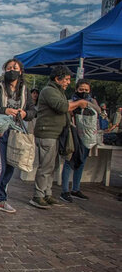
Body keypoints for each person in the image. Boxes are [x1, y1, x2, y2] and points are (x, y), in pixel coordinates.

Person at [0, 58, 36, 218]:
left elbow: (33, 110)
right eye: (9, 67)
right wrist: (5, 110)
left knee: (11, 165)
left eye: (15, 67)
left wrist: (25, 113)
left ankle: (0, 199)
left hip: (16, 133)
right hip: (0, 131)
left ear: (20, 71)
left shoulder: (25, 89)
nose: (12, 70)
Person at [29, 65, 88, 209]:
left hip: (56, 135)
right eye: (66, 79)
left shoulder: (58, 91)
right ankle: (38, 195)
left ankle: (47, 193)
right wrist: (78, 103)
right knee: (46, 166)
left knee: (52, 166)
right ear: (57, 79)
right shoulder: (49, 91)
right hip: (47, 134)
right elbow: (62, 107)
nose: (68, 82)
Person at [60, 79, 101, 203]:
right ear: (76, 89)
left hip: (87, 137)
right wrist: (78, 104)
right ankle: (65, 190)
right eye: (81, 89)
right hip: (73, 136)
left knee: (81, 162)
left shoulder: (91, 101)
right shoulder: (70, 102)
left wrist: (87, 103)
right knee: (69, 161)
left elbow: (98, 111)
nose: (84, 92)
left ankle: (76, 189)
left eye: (86, 90)